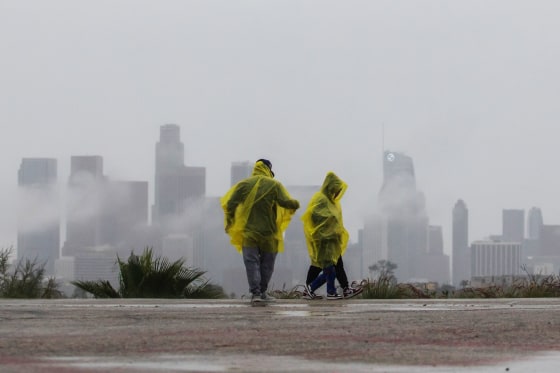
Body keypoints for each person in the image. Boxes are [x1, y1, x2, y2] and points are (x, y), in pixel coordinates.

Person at [221, 159, 300, 305]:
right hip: (269, 234)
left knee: (251, 263)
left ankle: (255, 293)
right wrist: (295, 203)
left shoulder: (244, 185)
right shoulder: (274, 185)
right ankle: (263, 292)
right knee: (267, 264)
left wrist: (230, 222)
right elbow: (286, 202)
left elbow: (231, 204)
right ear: (268, 170)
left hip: (249, 234)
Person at [301, 171, 350, 300]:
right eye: (335, 189)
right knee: (330, 269)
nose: (337, 193)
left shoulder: (331, 201)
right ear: (330, 187)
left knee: (331, 268)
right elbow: (315, 215)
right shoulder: (320, 199)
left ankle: (320, 290)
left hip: (331, 240)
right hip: (323, 240)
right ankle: (326, 291)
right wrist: (330, 227)